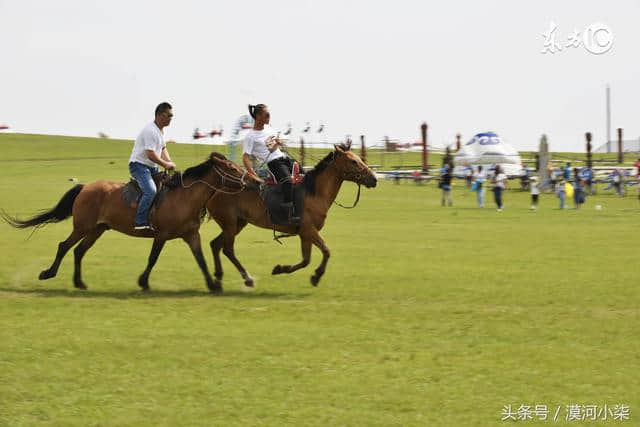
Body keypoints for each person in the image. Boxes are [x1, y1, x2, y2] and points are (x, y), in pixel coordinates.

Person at [242, 104, 297, 219]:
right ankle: (289, 214)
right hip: (274, 164)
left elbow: (275, 143)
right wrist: (252, 174)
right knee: (288, 182)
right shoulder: (250, 137)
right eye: (266, 114)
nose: (269, 116)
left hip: (285, 158)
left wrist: (279, 142)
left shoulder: (269, 128)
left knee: (304, 177)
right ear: (258, 116)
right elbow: (245, 157)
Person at [128, 102, 176, 230]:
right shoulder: (150, 131)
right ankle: (140, 222)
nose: (171, 118)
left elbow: (163, 148)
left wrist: (169, 163)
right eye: (169, 115)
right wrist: (165, 164)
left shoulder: (160, 131)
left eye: (172, 116)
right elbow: (151, 154)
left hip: (151, 168)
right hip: (139, 166)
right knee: (151, 191)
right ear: (160, 115)